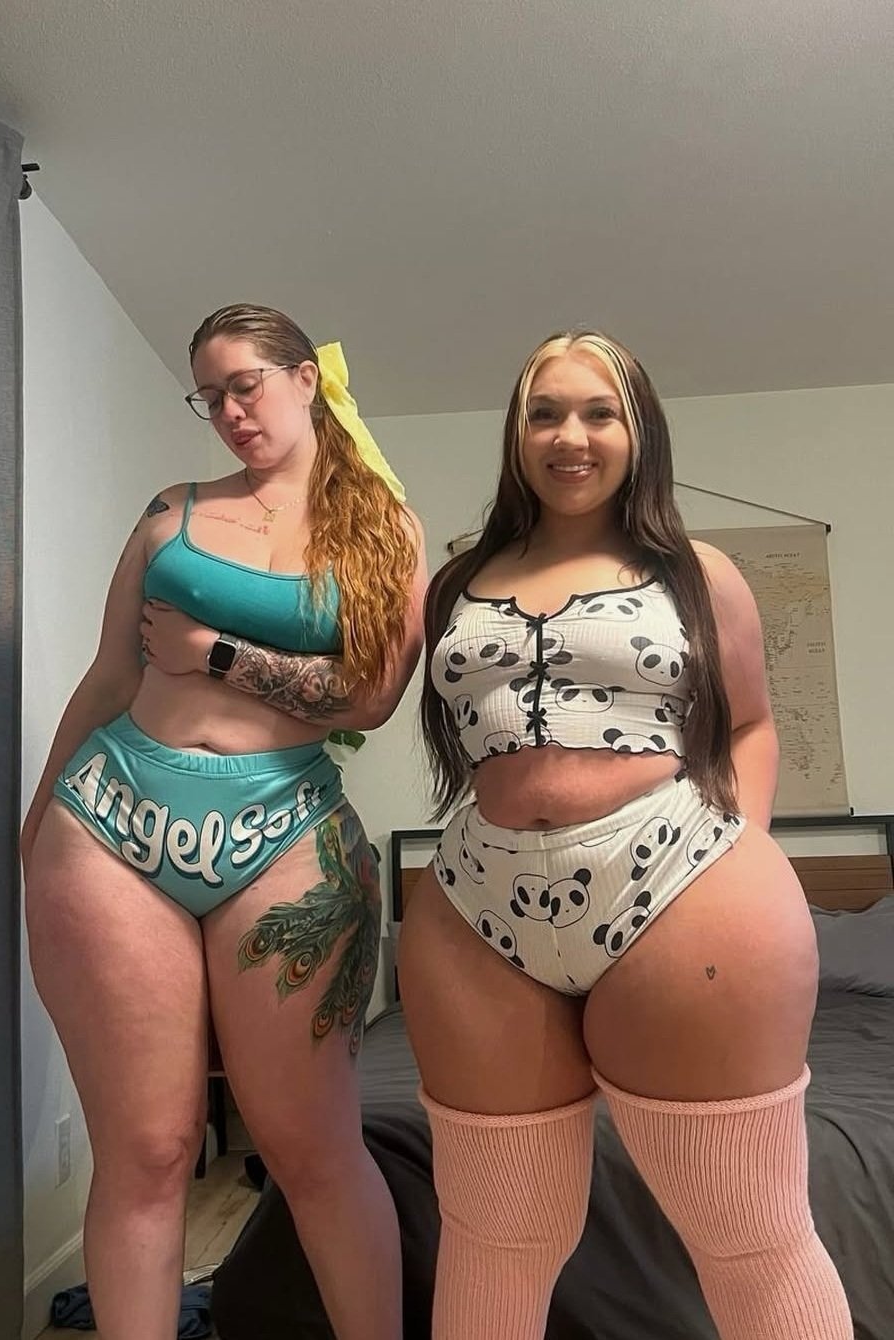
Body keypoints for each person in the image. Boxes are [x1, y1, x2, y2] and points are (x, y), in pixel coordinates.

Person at [397, 329, 852, 1339]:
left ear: (639, 430)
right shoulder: (458, 579)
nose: (571, 435)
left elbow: (750, 723)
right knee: (493, 1236)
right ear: (517, 434)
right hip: (477, 902)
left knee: (752, 1236)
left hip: (681, 880)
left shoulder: (698, 572)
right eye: (545, 412)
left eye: (598, 412)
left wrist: (741, 849)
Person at [21, 304, 427, 1340]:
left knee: (313, 1150)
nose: (230, 411)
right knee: (147, 1150)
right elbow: (110, 676)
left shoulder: (382, 528)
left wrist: (215, 654)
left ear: (306, 379)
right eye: (210, 396)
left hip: (285, 830)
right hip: (111, 821)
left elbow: (369, 698)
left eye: (245, 384)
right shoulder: (173, 511)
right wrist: (35, 822)